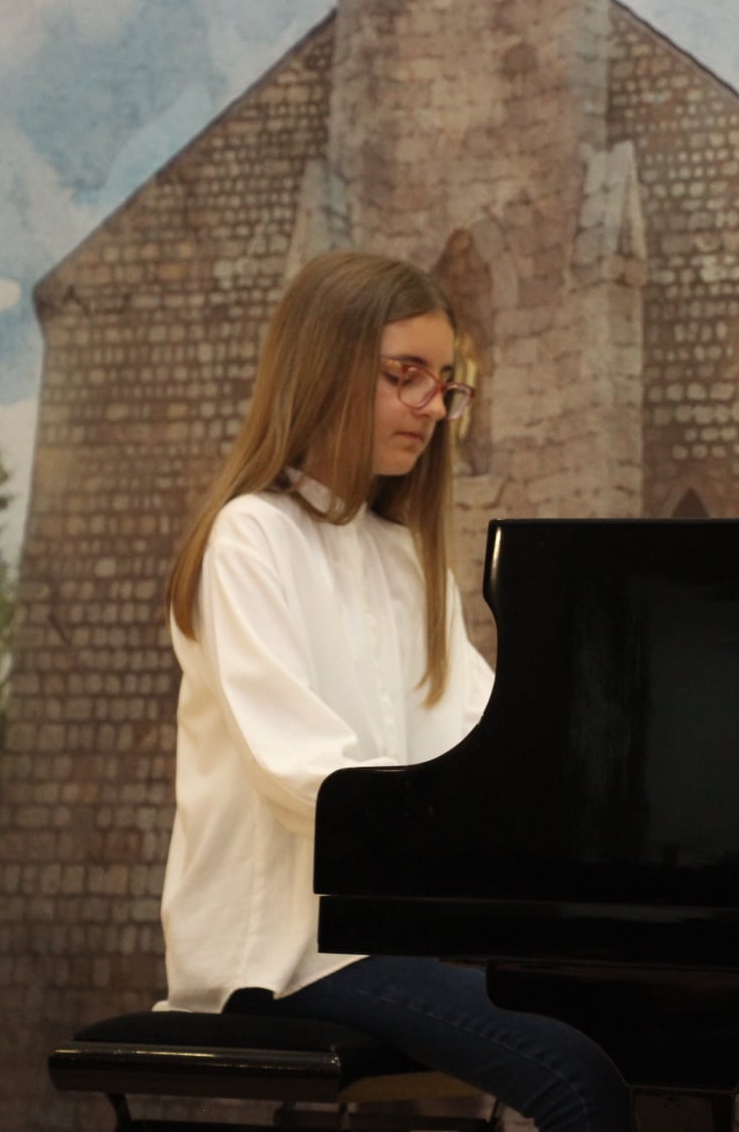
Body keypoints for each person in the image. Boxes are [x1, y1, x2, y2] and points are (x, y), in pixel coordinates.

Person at [157, 250, 629, 1132]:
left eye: (444, 384)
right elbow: (303, 776)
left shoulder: (404, 556)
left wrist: (599, 771)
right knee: (578, 1076)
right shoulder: (250, 537)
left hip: (392, 934)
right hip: (288, 950)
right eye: (403, 376)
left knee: (629, 1030)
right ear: (324, 369)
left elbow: (482, 736)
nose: (433, 407)